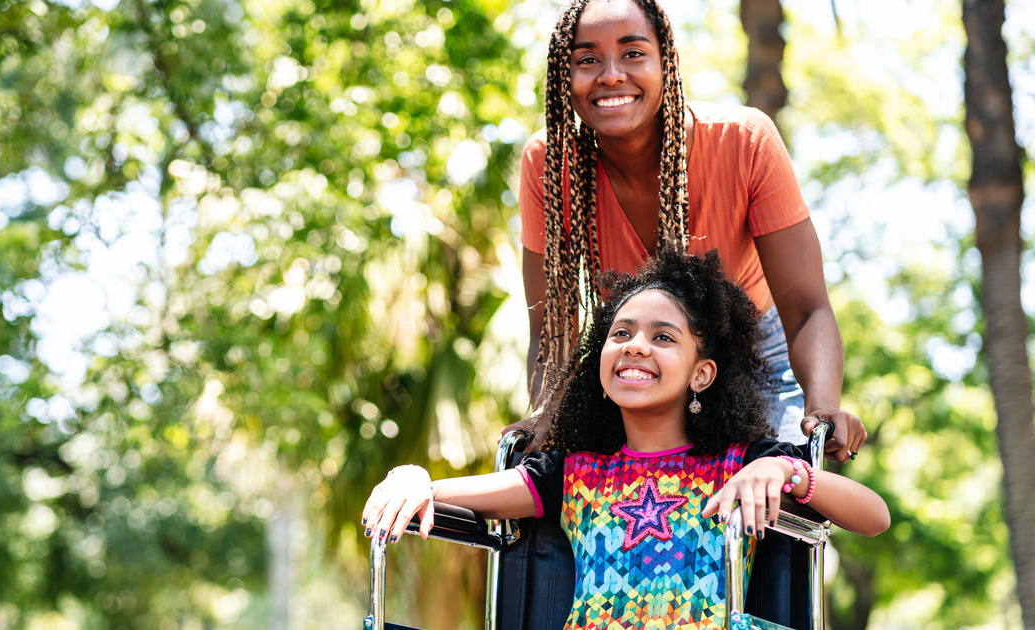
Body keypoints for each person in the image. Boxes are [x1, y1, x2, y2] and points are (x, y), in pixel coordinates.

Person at [363, 253, 889, 629]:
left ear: (701, 374)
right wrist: (416, 480)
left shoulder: (744, 463)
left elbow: (873, 517)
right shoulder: (574, 474)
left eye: (663, 337)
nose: (635, 346)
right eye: (621, 333)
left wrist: (788, 472)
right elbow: (460, 491)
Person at [515, 0, 864, 460]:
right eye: (586, 60)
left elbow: (805, 307)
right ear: (565, 76)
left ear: (669, 63)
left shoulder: (744, 141)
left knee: (772, 502)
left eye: (633, 53)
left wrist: (822, 406)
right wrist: (547, 412)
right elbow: (551, 332)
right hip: (638, 360)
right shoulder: (549, 166)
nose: (611, 74)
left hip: (757, 354)